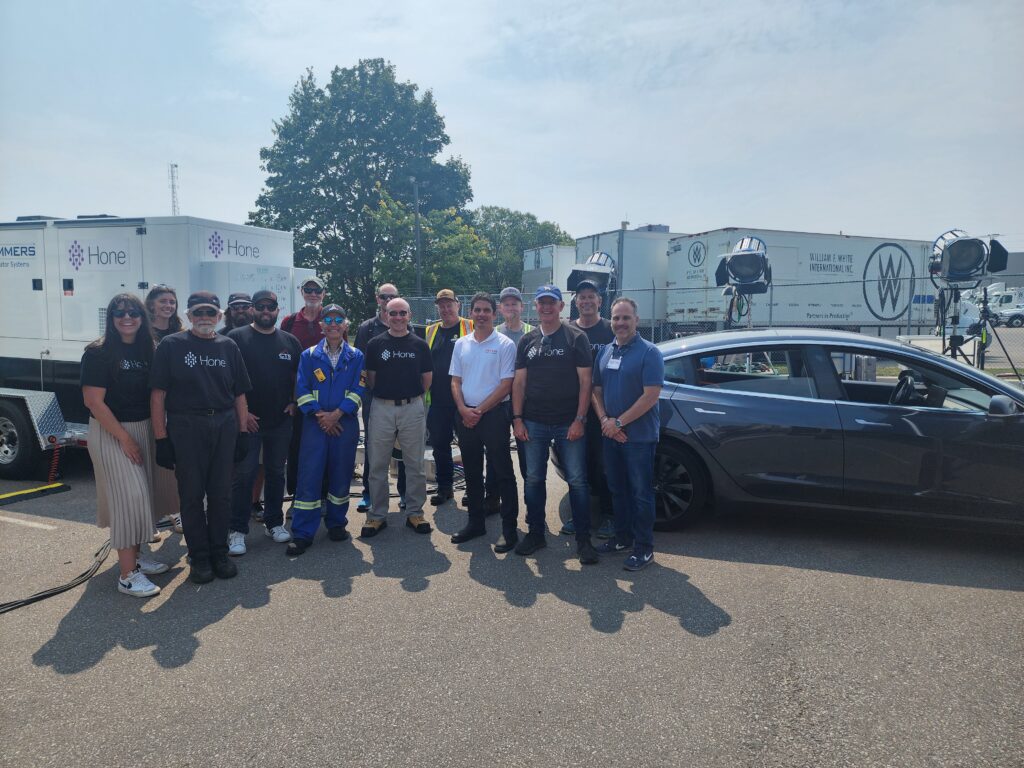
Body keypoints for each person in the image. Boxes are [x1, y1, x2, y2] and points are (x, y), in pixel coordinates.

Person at [150, 291, 253, 584]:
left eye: (210, 312)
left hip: (224, 423)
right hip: (186, 425)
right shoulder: (172, 345)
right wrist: (161, 439)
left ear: (219, 316)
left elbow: (239, 394)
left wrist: (243, 432)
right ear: (188, 316)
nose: (204, 318)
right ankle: (199, 556)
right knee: (192, 495)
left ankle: (219, 552)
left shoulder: (228, 346)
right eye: (198, 312)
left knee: (221, 494)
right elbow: (158, 395)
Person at [81, 294, 171, 597]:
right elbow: (94, 402)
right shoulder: (98, 352)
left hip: (144, 427)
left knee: (144, 496)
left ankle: (137, 558)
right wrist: (124, 438)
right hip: (112, 432)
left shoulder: (150, 348)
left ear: (143, 317)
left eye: (133, 312)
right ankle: (128, 576)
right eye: (119, 313)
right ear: (111, 318)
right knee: (129, 498)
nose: (127, 317)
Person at [511, 285, 598, 565]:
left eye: (552, 303)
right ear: (535, 306)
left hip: (568, 423)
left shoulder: (576, 337)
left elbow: (586, 382)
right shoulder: (527, 340)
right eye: (542, 303)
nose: (547, 307)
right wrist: (517, 419)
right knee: (533, 479)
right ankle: (536, 533)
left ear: (561, 307)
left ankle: (583, 539)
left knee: (577, 480)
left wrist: (580, 419)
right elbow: (519, 383)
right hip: (533, 421)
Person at [590, 298, 665, 571]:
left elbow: (651, 396)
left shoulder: (650, 353)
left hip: (639, 438)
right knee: (617, 490)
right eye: (616, 318)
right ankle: (622, 538)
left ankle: (644, 548)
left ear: (636, 320)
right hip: (611, 435)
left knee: (641, 494)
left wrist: (619, 423)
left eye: (626, 318)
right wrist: (605, 421)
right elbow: (596, 391)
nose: (620, 323)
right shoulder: (605, 351)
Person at [225, 290, 302, 554]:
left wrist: (294, 402)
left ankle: (274, 523)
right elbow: (228, 379)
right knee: (244, 475)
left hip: (280, 421)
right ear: (253, 310)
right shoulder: (236, 338)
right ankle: (237, 530)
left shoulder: (289, 341)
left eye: (271, 307)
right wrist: (242, 414)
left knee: (276, 473)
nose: (266, 311)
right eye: (261, 307)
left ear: (278, 310)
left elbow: (298, 376)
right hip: (248, 421)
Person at [287, 304, 365, 555]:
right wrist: (322, 417)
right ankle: (303, 533)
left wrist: (337, 414)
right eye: (328, 320)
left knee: (341, 473)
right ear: (321, 325)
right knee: (309, 476)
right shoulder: (308, 355)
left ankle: (336, 524)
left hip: (344, 424)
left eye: (338, 320)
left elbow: (359, 388)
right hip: (315, 424)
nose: (333, 324)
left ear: (345, 325)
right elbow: (301, 389)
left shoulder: (357, 356)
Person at [449, 293, 518, 549]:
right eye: (477, 310)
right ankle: (475, 523)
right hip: (465, 416)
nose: (481, 314)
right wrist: (463, 409)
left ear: (494, 314)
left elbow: (506, 384)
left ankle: (509, 530)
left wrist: (477, 411)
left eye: (486, 310)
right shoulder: (461, 344)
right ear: (470, 313)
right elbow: (455, 381)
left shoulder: (504, 344)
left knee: (503, 473)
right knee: (472, 471)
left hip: (494, 416)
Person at [363, 298, 433, 537]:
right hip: (382, 408)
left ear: (409, 315)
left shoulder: (419, 345)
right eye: (393, 313)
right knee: (377, 464)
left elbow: (427, 378)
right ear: (385, 315)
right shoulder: (375, 344)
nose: (398, 317)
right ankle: (377, 515)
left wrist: (411, 399)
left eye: (403, 313)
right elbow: (371, 377)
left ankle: (415, 513)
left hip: (412, 407)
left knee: (415, 464)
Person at [567, 279, 616, 539]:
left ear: (600, 301)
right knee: (577, 466)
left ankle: (609, 515)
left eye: (591, 296)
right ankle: (579, 516)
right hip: (575, 410)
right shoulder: (568, 330)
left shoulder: (610, 329)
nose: (586, 301)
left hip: (604, 410)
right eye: (582, 297)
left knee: (604, 465)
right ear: (576, 302)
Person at [353, 282, 405, 512]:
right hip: (374, 397)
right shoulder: (367, 328)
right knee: (373, 447)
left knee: (403, 448)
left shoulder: (406, 325)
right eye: (384, 296)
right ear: (377, 299)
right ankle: (369, 493)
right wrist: (366, 393)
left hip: (402, 398)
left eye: (392, 296)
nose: (388, 300)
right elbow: (360, 363)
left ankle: (404, 493)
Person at [424, 289, 473, 506]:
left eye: (449, 304)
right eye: (441, 305)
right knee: (440, 447)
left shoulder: (470, 327)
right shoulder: (431, 330)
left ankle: (473, 487)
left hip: (465, 400)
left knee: (470, 446)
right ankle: (445, 488)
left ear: (458, 305)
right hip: (438, 400)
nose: (445, 309)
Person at [142, 284, 184, 533]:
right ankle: (150, 518)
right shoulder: (142, 333)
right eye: (163, 301)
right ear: (151, 305)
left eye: (172, 302)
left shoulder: (181, 332)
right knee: (149, 462)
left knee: (173, 463)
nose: (168, 306)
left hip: (174, 406)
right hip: (146, 403)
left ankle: (175, 511)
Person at [282, 276, 327, 496]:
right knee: (297, 446)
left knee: (324, 446)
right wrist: (291, 399)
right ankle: (297, 495)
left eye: (317, 290)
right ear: (302, 292)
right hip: (298, 395)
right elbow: (284, 363)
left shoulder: (332, 318)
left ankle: (323, 494)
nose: (313, 294)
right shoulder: (289, 322)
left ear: (324, 294)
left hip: (327, 395)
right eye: (308, 290)